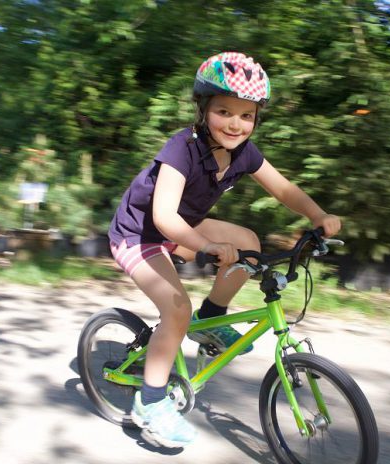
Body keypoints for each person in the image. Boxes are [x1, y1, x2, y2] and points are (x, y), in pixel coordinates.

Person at [108, 51, 341, 448]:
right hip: (139, 234)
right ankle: (149, 403)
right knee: (176, 309)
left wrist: (319, 215)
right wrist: (207, 245)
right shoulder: (181, 147)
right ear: (203, 110)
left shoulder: (243, 153)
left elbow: (283, 189)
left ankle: (212, 317)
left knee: (248, 243)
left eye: (246, 115)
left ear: (256, 118)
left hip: (183, 228)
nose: (235, 123)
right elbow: (163, 216)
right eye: (224, 111)